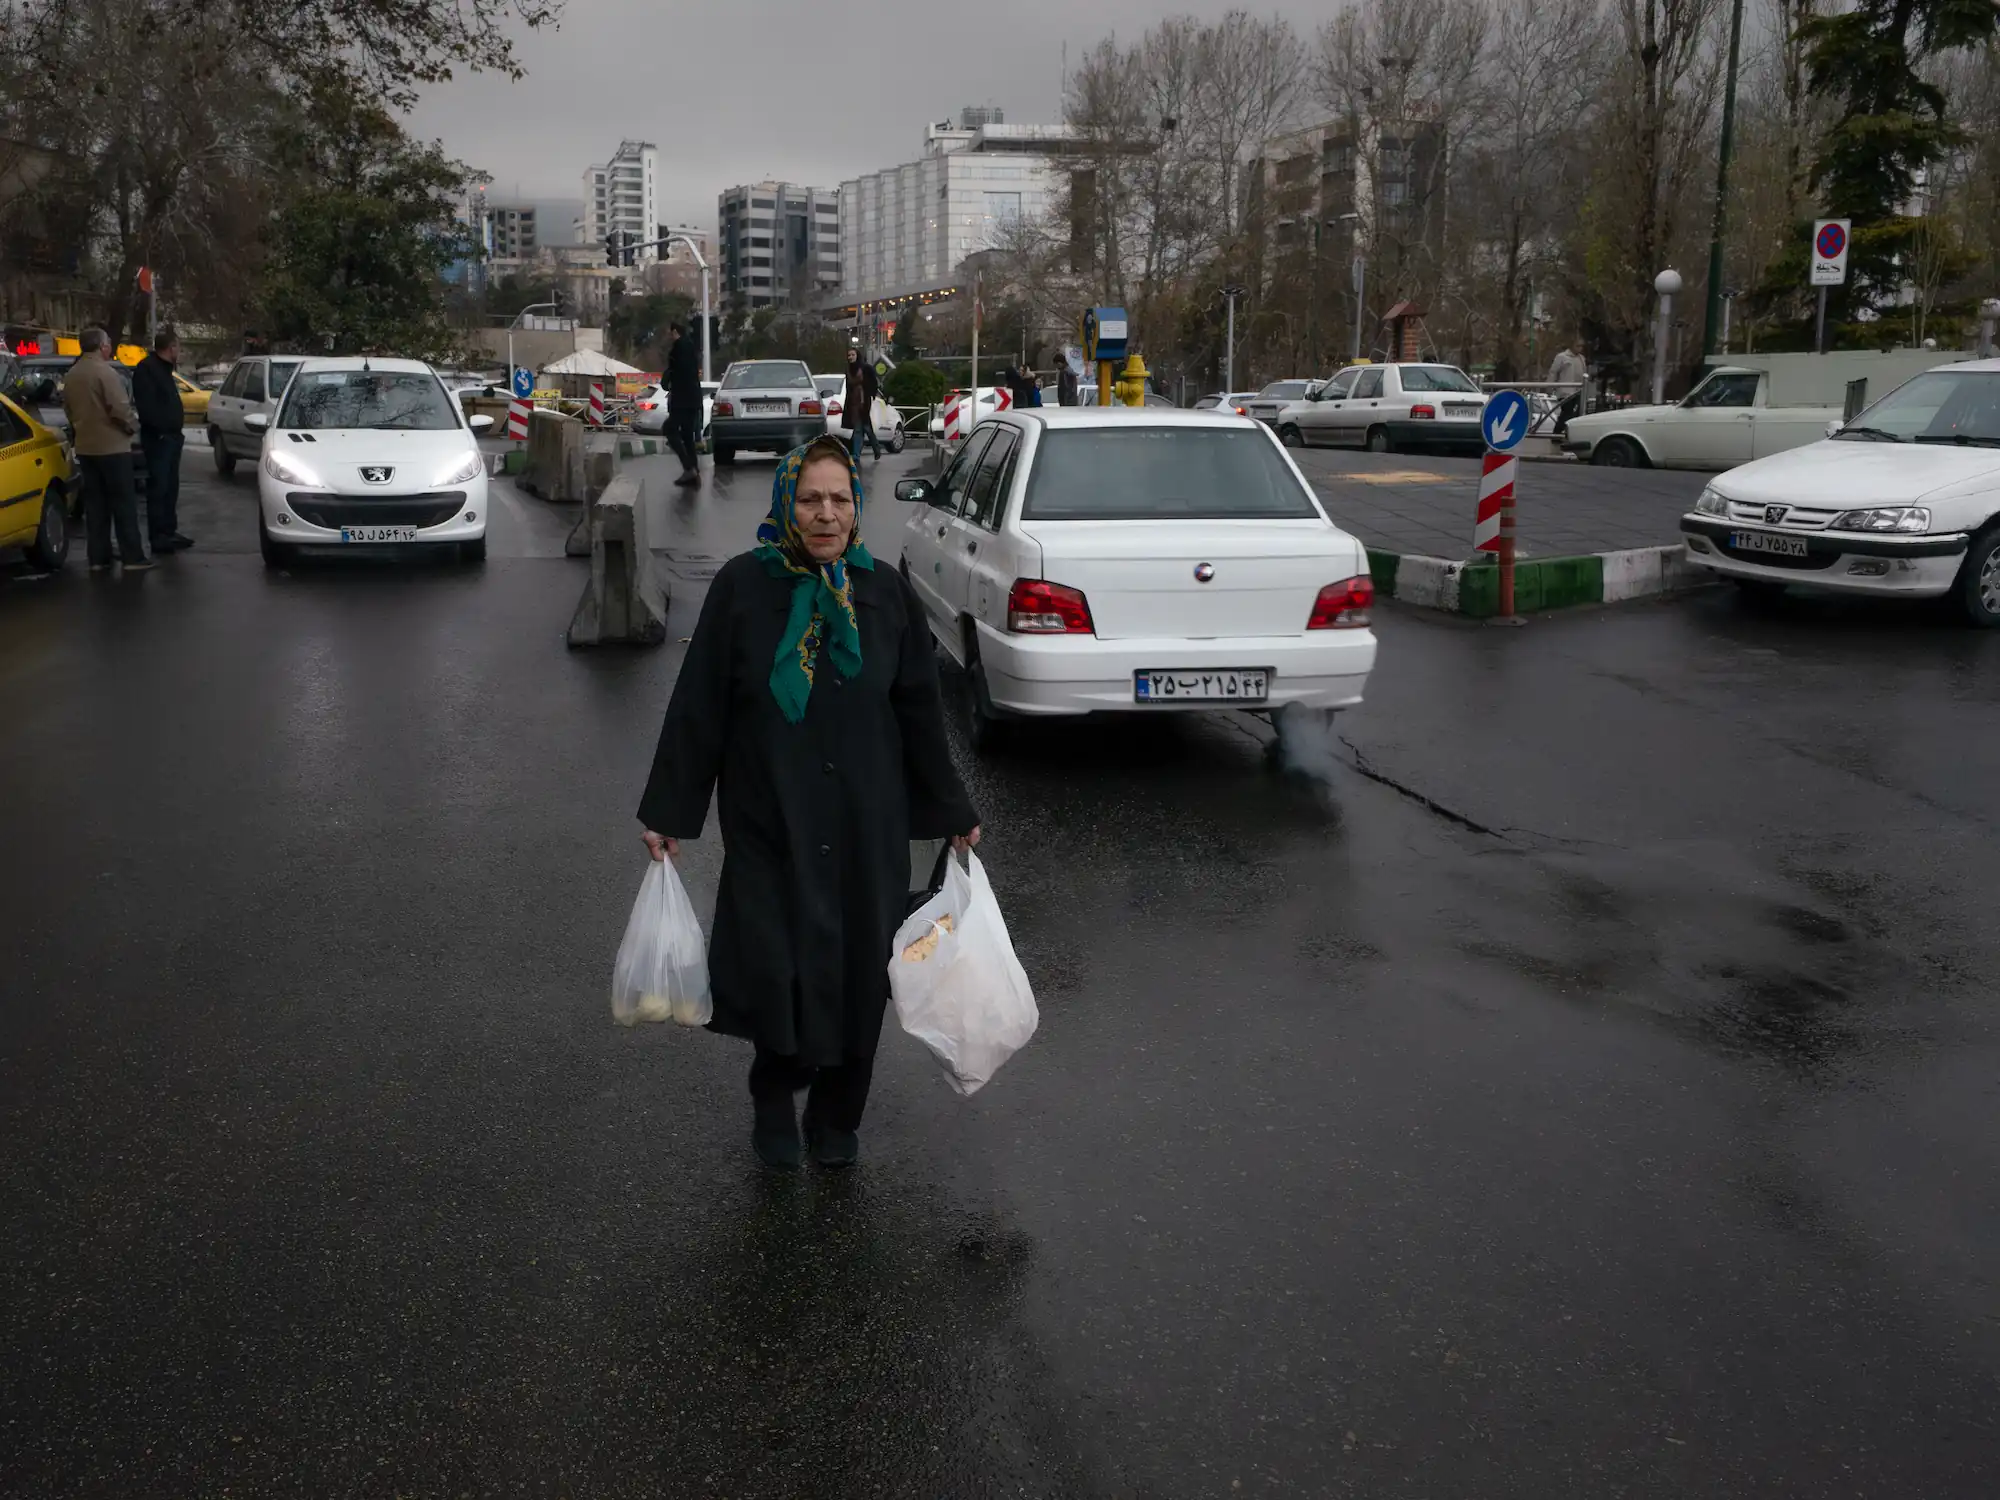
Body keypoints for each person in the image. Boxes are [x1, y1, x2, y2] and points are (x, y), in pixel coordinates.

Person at [637, 434, 980, 1169]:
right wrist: (669, 812)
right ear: (786, 505)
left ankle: (837, 1115)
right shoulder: (742, 588)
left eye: (840, 500)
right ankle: (774, 1090)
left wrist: (951, 812)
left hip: (868, 826)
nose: (826, 515)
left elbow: (920, 711)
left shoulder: (884, 593)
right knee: (778, 965)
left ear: (856, 510)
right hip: (772, 820)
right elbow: (700, 706)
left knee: (862, 978)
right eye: (811, 499)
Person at [63, 327, 150, 573]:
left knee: (96, 505)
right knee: (123, 503)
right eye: (109, 343)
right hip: (112, 447)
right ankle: (132, 557)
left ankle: (98, 558)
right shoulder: (105, 372)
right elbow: (120, 409)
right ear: (101, 347)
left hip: (87, 447)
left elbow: (68, 410)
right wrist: (132, 427)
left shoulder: (72, 375)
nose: (110, 347)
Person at [132, 327, 193, 553]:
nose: (179, 350)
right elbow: (147, 407)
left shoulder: (165, 370)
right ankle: (158, 536)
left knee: (170, 487)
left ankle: (169, 530)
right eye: (178, 346)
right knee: (158, 488)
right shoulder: (147, 370)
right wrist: (160, 430)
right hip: (159, 439)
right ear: (170, 347)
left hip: (172, 437)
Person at [664, 318, 702, 487]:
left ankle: (688, 468)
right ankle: (694, 471)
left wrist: (670, 379)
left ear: (674, 332)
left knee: (669, 429)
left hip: (682, 398)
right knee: (687, 435)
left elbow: (678, 374)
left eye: (670, 333)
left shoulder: (679, 348)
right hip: (693, 398)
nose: (669, 337)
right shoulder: (692, 347)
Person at [842, 346, 880, 461]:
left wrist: (871, 395)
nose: (851, 357)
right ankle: (856, 455)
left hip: (864, 401)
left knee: (867, 428)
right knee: (858, 429)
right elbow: (848, 387)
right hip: (853, 403)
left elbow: (873, 382)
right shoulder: (848, 370)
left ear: (857, 355)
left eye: (853, 355)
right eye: (849, 355)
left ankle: (876, 449)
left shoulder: (866, 368)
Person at [1548, 339, 1588, 435]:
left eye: (1581, 346)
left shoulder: (1581, 358)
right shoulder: (1562, 357)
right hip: (1565, 391)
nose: (1580, 348)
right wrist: (1549, 387)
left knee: (1578, 413)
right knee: (1566, 412)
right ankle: (1556, 433)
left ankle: (1569, 433)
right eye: (1578, 346)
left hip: (1578, 391)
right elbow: (1553, 372)